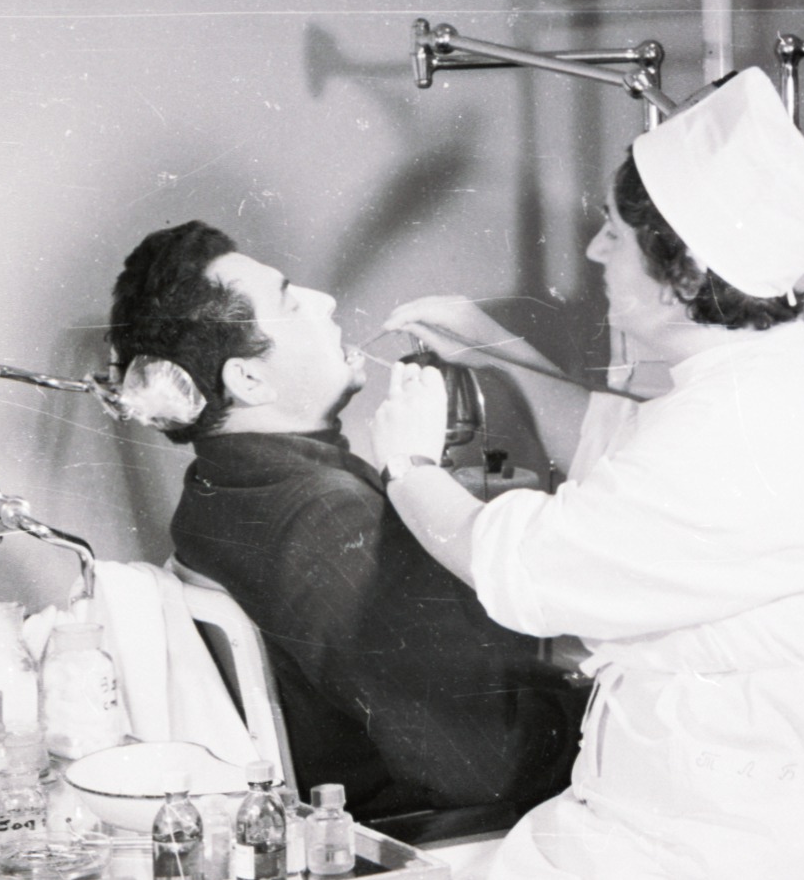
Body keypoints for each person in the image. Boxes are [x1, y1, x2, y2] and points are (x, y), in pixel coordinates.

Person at [370, 67, 804, 878]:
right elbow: (624, 442)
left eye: (613, 232)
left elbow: (529, 566)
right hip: (754, 784)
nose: (595, 250)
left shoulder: (742, 419)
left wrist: (408, 464)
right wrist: (496, 348)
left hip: (770, 814)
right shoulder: (789, 370)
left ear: (685, 273)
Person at [107, 221, 585, 826]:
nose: (325, 301)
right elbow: (485, 765)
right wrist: (598, 706)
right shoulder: (326, 515)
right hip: (438, 830)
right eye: (289, 301)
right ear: (248, 379)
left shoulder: (221, 486)